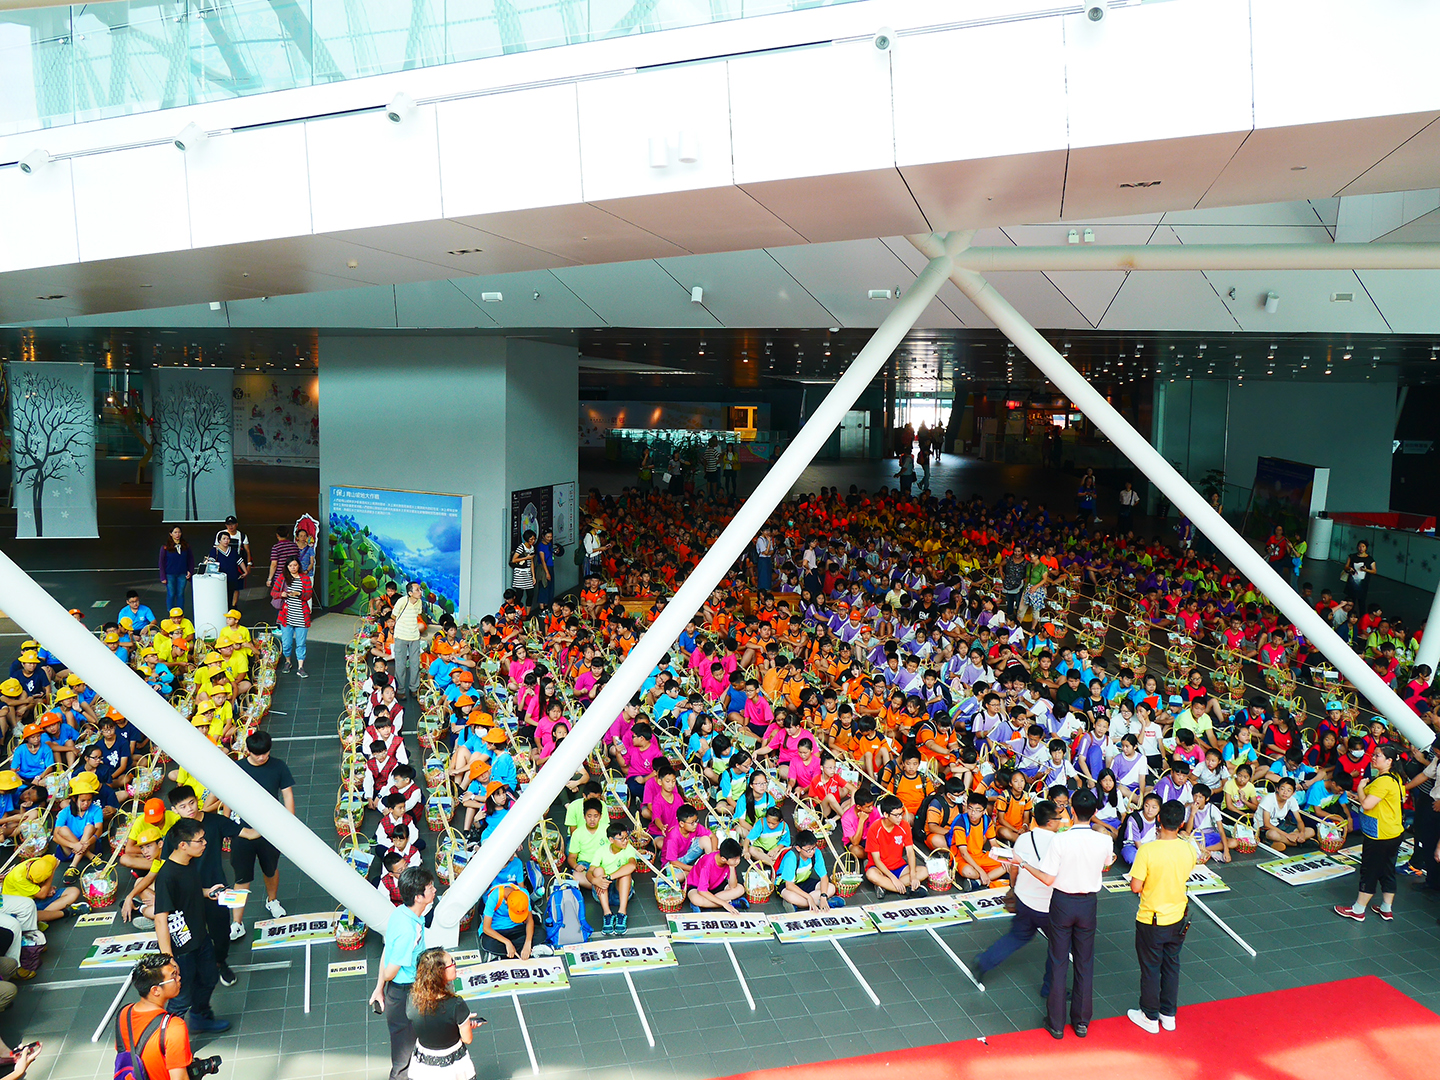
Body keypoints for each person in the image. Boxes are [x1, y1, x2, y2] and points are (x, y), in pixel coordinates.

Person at [1013, 786, 1114, 1039]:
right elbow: (1107, 864)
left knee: (1058, 961)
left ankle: (1056, 1024)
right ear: (1093, 812)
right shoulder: (1104, 839)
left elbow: (1048, 878)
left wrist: (1023, 864)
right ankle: (1081, 1022)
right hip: (1088, 903)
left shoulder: (1060, 839)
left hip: (1062, 902)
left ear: (1071, 810)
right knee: (1084, 962)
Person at [161, 786, 258, 987]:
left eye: (191, 803)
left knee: (221, 933)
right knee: (191, 938)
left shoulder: (215, 822)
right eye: (182, 806)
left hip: (215, 890)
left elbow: (248, 833)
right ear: (174, 809)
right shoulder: (174, 835)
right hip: (186, 897)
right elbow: (165, 867)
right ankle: (194, 972)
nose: (189, 809)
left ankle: (220, 963)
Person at [973, 798, 1061, 991]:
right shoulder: (1059, 843)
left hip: (1024, 899)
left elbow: (1014, 868)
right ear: (1050, 822)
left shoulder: (1023, 838)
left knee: (1017, 935)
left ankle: (985, 961)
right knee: (1059, 947)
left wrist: (1013, 888)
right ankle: (1050, 987)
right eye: (1058, 818)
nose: (1061, 821)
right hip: (1048, 906)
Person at [152, 818, 230, 1032]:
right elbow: (161, 918)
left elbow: (192, 892)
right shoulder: (167, 875)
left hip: (200, 937)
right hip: (181, 947)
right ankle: (166, 1038)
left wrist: (209, 892)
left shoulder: (190, 863)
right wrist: (168, 958)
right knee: (181, 996)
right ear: (183, 845)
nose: (205, 843)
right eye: (200, 840)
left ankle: (200, 1016)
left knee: (209, 978)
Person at [1126, 798, 1195, 1034]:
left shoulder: (1148, 850)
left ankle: (1149, 1015)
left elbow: (1136, 886)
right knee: (1172, 966)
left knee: (1151, 968)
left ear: (1158, 819)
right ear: (1181, 822)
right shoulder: (1187, 847)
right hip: (1178, 916)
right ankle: (1168, 1014)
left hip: (1152, 918)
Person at [229, 731, 293, 939]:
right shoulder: (237, 768)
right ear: (248, 751)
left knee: (271, 869)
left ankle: (272, 900)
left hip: (269, 830)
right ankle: (236, 923)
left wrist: (288, 823)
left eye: (265, 753)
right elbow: (227, 797)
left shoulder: (279, 766)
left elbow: (287, 795)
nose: (262, 757)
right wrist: (227, 826)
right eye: (257, 754)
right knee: (241, 878)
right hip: (242, 832)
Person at [372, 867, 434, 1080]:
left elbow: (386, 951)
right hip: (405, 994)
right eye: (430, 888)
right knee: (404, 1057)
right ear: (418, 897)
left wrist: (379, 988)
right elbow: (390, 971)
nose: (434, 890)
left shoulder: (400, 912)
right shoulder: (410, 930)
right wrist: (383, 982)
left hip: (400, 992)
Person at [1334, 744, 1405, 923]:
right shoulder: (1395, 777)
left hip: (1379, 834)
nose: (1373, 758)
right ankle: (1386, 908)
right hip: (1393, 831)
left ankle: (1358, 909)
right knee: (1387, 870)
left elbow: (1366, 805)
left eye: (1378, 756)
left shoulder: (1383, 781)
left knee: (1369, 870)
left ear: (1389, 761)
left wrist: (1360, 789)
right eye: (1373, 755)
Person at [116, 954, 195, 1080]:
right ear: (155, 990)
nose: (179, 978)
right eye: (173, 976)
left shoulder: (124, 1013)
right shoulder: (174, 1027)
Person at [407, 948, 482, 1080]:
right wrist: (464, 1025)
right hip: (452, 1065)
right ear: (440, 972)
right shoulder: (456, 1004)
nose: (455, 964)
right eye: (451, 962)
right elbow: (467, 1039)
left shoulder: (412, 998)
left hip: (424, 1063)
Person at [276, 558, 313, 678]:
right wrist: (281, 594)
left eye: (295, 565)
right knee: (286, 643)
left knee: (301, 643)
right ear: (287, 567)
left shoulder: (305, 578)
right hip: (286, 616)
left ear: (299, 566)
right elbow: (274, 592)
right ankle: (288, 662)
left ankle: (300, 667)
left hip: (301, 616)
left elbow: (308, 595)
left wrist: (299, 594)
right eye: (290, 565)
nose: (293, 567)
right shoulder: (282, 578)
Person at [392, 582, 427, 702]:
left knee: (415, 664)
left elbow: (417, 615)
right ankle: (400, 690)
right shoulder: (402, 601)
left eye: (420, 589)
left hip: (414, 637)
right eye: (417, 590)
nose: (420, 592)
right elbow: (393, 615)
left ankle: (414, 688)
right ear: (410, 593)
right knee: (400, 665)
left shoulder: (419, 602)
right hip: (401, 636)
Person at [209, 530, 247, 611]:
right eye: (224, 538)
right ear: (219, 540)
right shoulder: (215, 551)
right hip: (221, 579)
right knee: (223, 595)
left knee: (232, 594)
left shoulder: (232, 550)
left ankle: (232, 609)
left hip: (232, 577)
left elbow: (239, 561)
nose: (226, 541)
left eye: (228, 539)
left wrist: (245, 571)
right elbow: (211, 563)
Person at [158, 527, 193, 614]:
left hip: (182, 574)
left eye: (179, 532)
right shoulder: (165, 547)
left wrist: (190, 571)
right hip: (170, 574)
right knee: (171, 593)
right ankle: (171, 612)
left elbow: (190, 559)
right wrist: (162, 577)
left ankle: (180, 613)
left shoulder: (186, 546)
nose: (177, 534)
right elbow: (161, 563)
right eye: (175, 532)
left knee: (180, 594)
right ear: (171, 534)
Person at [265, 526, 300, 596]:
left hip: (280, 576)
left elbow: (274, 564)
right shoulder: (294, 546)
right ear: (288, 535)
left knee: (281, 596)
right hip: (293, 575)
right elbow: (298, 560)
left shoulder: (276, 547)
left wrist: (269, 579)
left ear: (277, 535)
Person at [1343, 541, 1376, 615]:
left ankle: (1361, 617)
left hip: (1363, 584)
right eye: (1360, 546)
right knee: (1351, 600)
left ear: (1366, 548)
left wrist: (1366, 570)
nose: (1361, 548)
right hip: (1352, 583)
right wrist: (1349, 568)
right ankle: (1350, 615)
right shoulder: (1352, 556)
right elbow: (1346, 566)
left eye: (1363, 546)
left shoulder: (1369, 559)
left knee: (1362, 602)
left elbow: (1374, 571)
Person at [510, 531, 537, 612]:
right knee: (519, 594)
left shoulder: (532, 548)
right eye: (531, 539)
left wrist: (533, 576)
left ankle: (528, 613)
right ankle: (517, 612)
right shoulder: (521, 547)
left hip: (528, 572)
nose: (533, 541)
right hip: (520, 573)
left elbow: (532, 562)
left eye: (534, 539)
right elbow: (514, 560)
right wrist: (526, 558)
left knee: (530, 594)